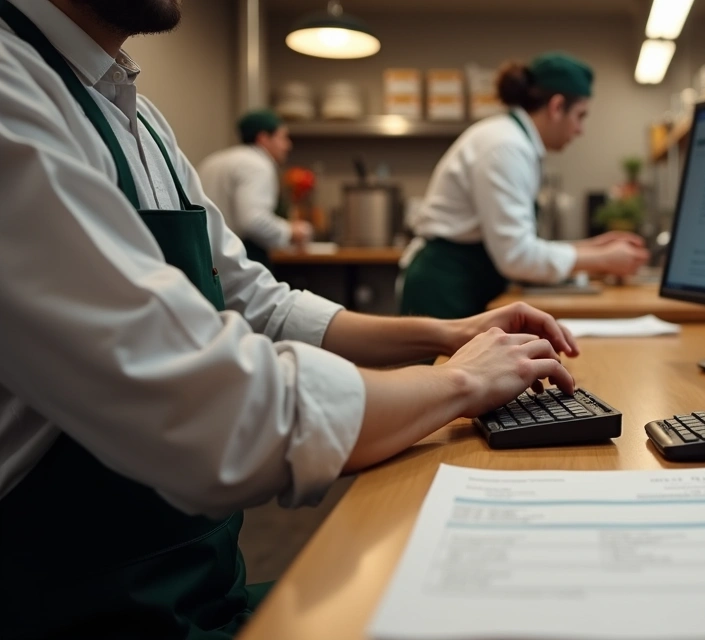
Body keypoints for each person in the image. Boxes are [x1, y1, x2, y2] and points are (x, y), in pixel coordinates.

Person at [0, 1, 579, 637]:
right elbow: (223, 413)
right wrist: (459, 384)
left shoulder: (136, 112)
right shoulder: (13, 88)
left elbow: (258, 301)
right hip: (79, 608)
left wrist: (446, 334)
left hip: (201, 583)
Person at [399, 52, 651, 320]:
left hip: (462, 281)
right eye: (580, 115)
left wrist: (592, 248)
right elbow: (516, 256)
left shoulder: (514, 140)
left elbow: (518, 243)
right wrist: (602, 260)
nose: (580, 130)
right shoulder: (506, 147)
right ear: (556, 107)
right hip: (443, 289)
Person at [199, 108, 312, 267]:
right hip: (237, 259)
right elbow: (253, 221)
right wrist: (290, 231)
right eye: (283, 138)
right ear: (264, 138)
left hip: (204, 256)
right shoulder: (258, 164)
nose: (288, 145)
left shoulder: (214, 160)